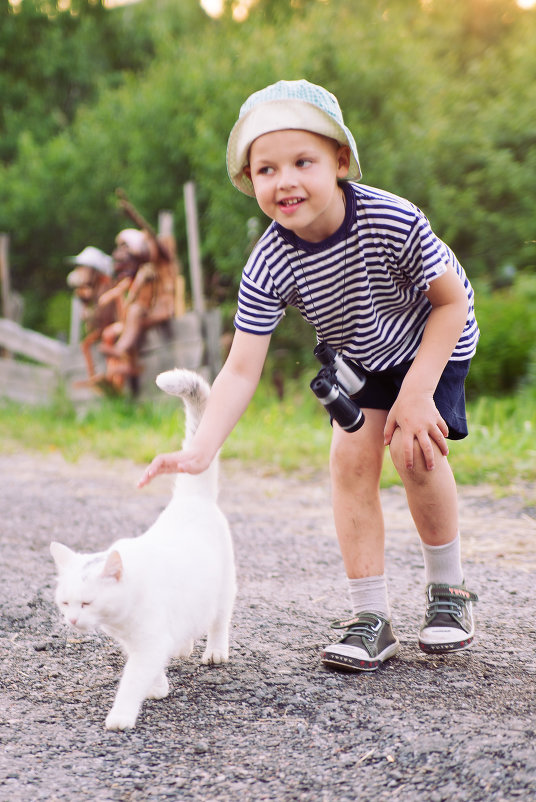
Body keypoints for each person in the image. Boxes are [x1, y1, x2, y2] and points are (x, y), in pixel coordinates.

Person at [138, 79, 480, 672]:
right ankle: (370, 616)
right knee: (349, 461)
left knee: (413, 448)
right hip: (361, 352)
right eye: (266, 169)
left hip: (434, 339)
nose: (285, 180)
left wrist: (419, 392)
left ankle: (448, 594)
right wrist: (200, 452)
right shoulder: (270, 259)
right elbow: (242, 369)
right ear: (250, 182)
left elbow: (450, 304)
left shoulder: (393, 218)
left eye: (304, 161)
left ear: (340, 162)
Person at [66, 246, 116, 381]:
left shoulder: (106, 286)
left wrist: (91, 314)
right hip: (104, 330)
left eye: (83, 267)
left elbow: (106, 318)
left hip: (112, 329)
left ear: (94, 270)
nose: (79, 271)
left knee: (104, 340)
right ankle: (94, 377)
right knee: (87, 344)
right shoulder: (93, 289)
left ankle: (109, 377)